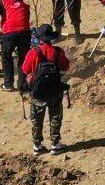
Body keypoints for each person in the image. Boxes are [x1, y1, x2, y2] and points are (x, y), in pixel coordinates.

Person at [21, 25, 70, 154]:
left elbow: (25, 70)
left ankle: (37, 146)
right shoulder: (58, 52)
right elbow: (65, 67)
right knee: (55, 116)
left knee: (37, 119)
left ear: (39, 38)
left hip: (38, 92)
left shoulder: (33, 52)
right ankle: (55, 144)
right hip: (54, 90)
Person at [0, 0, 32, 87]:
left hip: (10, 33)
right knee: (23, 58)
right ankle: (22, 84)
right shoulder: (24, 5)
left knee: (6, 57)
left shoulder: (3, 2)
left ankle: (8, 84)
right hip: (25, 33)